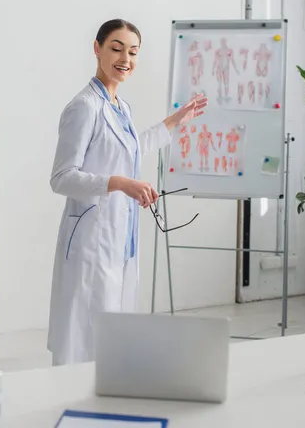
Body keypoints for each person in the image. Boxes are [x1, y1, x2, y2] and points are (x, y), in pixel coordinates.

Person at [47, 19, 208, 366]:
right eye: (116, 48)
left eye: (132, 52)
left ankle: (108, 390)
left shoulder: (121, 106)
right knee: (84, 333)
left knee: (111, 328)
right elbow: (61, 177)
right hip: (93, 237)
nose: (125, 59)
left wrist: (176, 119)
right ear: (97, 48)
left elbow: (134, 147)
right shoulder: (84, 107)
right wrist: (121, 183)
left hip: (119, 234)